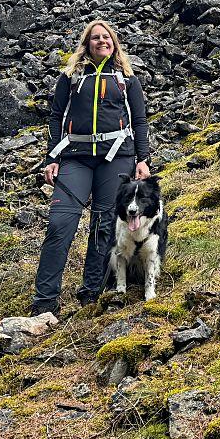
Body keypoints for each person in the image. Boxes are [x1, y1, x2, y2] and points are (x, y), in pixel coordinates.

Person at [31, 19, 151, 317]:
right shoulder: (71, 77)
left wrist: (142, 159)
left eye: (106, 37)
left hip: (117, 157)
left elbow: (139, 121)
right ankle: (45, 302)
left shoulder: (127, 79)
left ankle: (90, 293)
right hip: (75, 157)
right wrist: (52, 158)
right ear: (87, 44)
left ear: (114, 43)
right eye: (95, 38)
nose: (101, 41)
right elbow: (56, 116)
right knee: (60, 224)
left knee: (104, 226)